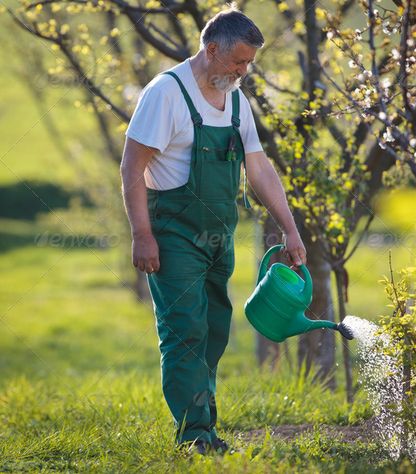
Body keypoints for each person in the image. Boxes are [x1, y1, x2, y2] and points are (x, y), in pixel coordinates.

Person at [120, 5, 306, 454]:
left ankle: (204, 423)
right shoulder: (166, 93)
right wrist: (141, 235)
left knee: (215, 329)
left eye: (249, 63)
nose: (243, 71)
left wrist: (291, 229)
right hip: (172, 233)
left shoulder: (236, 99)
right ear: (211, 49)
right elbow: (131, 166)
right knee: (186, 329)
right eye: (237, 61)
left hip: (219, 236)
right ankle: (195, 436)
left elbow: (259, 169)